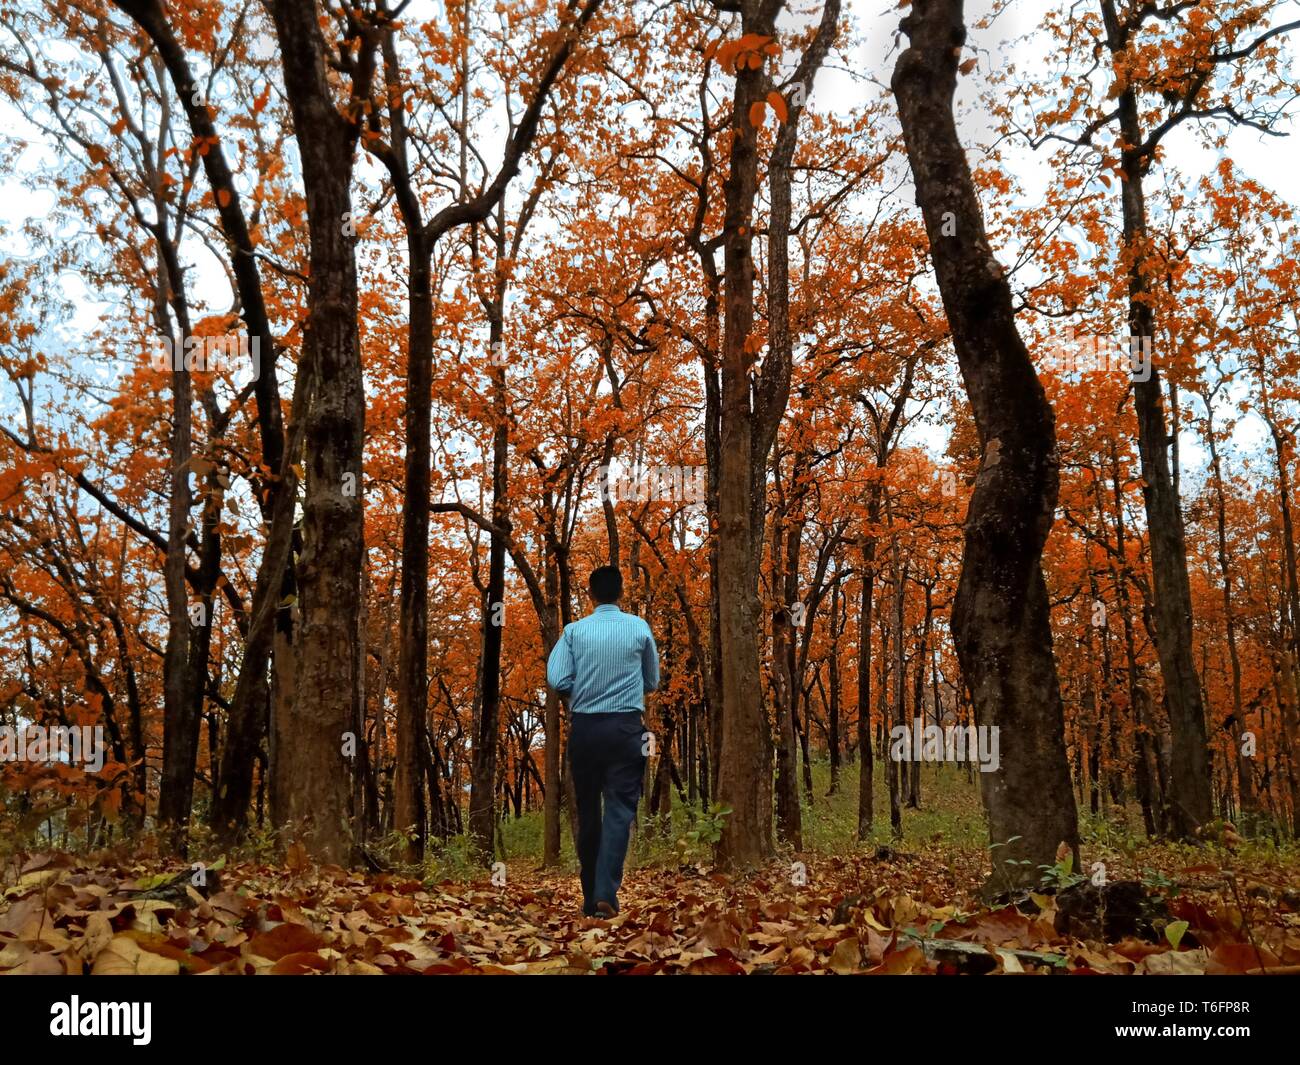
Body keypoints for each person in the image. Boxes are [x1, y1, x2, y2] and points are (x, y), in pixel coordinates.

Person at [546, 565, 659, 917]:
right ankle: (605, 892)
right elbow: (652, 681)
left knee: (589, 812)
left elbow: (557, 677)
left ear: (590, 594)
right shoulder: (639, 628)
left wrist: (583, 690)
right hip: (627, 730)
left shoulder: (574, 632)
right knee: (620, 810)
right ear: (621, 593)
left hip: (585, 731)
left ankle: (588, 895)